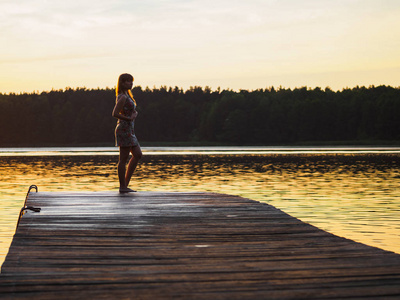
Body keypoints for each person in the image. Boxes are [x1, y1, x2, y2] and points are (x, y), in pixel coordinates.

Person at [112, 73, 142, 193]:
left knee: (138, 154)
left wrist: (134, 115)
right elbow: (114, 113)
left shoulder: (127, 95)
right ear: (122, 83)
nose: (131, 83)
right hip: (124, 130)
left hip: (130, 130)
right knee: (123, 159)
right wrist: (129, 118)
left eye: (131, 81)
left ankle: (125, 184)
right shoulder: (122, 97)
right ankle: (122, 187)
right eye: (128, 81)